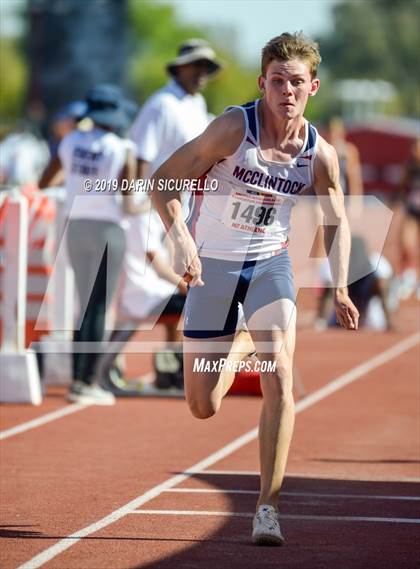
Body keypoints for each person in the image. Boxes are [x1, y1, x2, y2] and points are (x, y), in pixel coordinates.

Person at [151, 32, 359, 545]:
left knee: (281, 377)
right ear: (262, 83)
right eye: (277, 81)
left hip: (270, 264)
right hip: (214, 267)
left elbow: (337, 219)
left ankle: (267, 506)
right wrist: (180, 238)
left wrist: (341, 287)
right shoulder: (231, 129)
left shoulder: (320, 155)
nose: (287, 91)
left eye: (297, 83)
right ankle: (241, 341)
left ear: (313, 86)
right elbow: (162, 180)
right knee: (202, 405)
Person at [39, 84, 142, 405]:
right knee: (99, 309)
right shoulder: (122, 147)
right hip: (108, 231)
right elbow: (128, 202)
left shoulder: (69, 141)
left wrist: (74, 182)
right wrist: (149, 204)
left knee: (84, 306)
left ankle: (79, 379)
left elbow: (45, 182)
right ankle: (86, 383)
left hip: (75, 228)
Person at [396, 138, 420, 300]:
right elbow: (402, 184)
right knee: (406, 244)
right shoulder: (410, 165)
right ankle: (408, 277)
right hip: (412, 209)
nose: (415, 152)